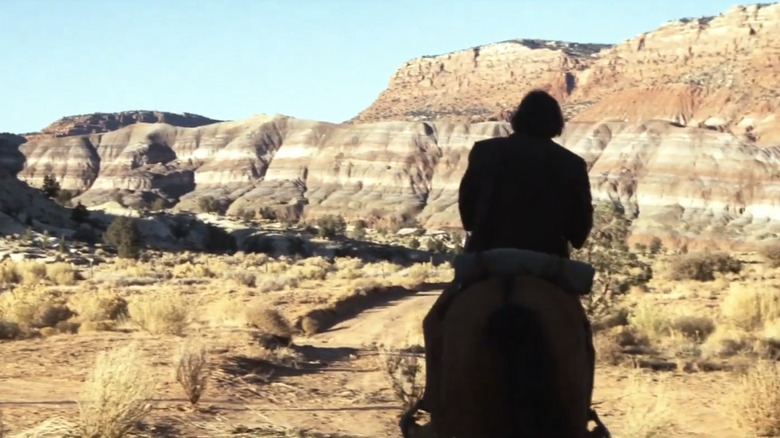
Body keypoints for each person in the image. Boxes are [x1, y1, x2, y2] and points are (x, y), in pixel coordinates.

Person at [416, 89, 597, 428]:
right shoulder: (571, 163)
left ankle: (435, 409)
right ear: (556, 124)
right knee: (582, 337)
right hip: (547, 265)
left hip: (487, 260)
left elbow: (468, 214)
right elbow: (579, 231)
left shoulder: (485, 152)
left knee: (436, 323)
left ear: (517, 119)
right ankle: (581, 417)